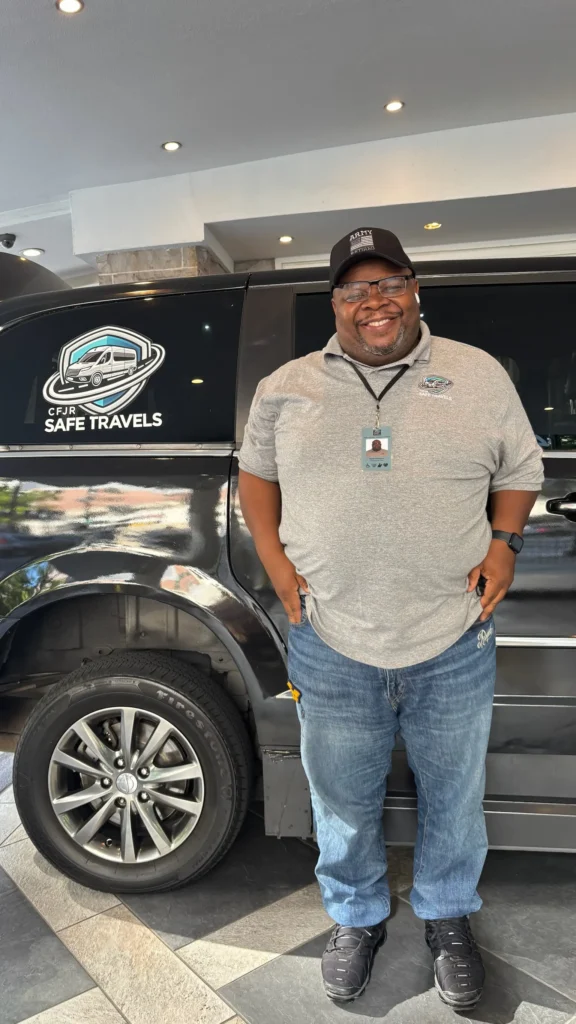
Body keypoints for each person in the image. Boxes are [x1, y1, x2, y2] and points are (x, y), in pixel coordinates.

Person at [238, 227, 543, 1011]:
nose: (373, 301)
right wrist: (274, 564)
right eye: (353, 289)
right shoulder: (286, 385)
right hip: (330, 638)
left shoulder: (475, 374)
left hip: (453, 633)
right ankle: (356, 916)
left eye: (388, 284)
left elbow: (518, 468)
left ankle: (446, 914)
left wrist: (504, 544)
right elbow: (255, 474)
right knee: (340, 795)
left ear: (415, 292)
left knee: (454, 792)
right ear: (335, 304)